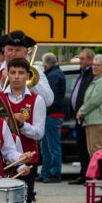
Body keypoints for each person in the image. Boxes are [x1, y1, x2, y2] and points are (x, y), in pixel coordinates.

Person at [0, 58, 45, 203]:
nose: (16, 77)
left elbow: (39, 132)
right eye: (12, 72)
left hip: (27, 157)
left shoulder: (36, 100)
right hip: (3, 159)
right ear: (6, 74)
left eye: (20, 73)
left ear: (27, 75)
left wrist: (22, 124)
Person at [75, 54, 102, 180]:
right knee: (93, 153)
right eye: (94, 65)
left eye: (98, 65)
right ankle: (98, 181)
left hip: (98, 121)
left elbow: (94, 101)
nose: (94, 67)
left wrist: (82, 111)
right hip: (91, 121)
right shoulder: (97, 80)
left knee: (98, 152)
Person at [39, 52, 68, 183]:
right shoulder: (54, 74)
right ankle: (45, 173)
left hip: (53, 114)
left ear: (45, 65)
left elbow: (51, 97)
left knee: (52, 145)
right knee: (45, 145)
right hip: (51, 114)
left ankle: (54, 173)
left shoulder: (54, 75)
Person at [68, 48, 96, 183]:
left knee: (87, 148)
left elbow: (91, 98)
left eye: (83, 59)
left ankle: (88, 175)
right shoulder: (82, 73)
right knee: (80, 147)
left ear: (90, 60)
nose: (80, 61)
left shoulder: (92, 75)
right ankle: (83, 174)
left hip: (88, 117)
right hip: (78, 117)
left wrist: (82, 111)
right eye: (80, 58)